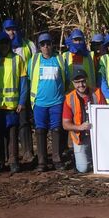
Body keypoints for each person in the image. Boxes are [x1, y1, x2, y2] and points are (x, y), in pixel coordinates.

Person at [0, 18, 37, 164]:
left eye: (13, 29)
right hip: (2, 99)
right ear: (4, 31)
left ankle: (27, 152)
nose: (11, 32)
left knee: (24, 123)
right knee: (6, 128)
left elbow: (35, 64)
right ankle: (6, 158)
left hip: (23, 90)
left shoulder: (28, 45)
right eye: (8, 29)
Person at [28, 32, 66, 172]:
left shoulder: (59, 59)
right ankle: (42, 161)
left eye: (48, 44)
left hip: (56, 101)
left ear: (52, 45)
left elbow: (65, 78)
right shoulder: (34, 60)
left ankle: (57, 159)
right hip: (39, 102)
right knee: (40, 130)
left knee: (56, 129)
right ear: (39, 47)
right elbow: (29, 79)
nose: (46, 47)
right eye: (42, 44)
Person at [62, 69, 106, 173]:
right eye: (77, 82)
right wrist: (80, 127)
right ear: (73, 83)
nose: (81, 85)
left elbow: (105, 116)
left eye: (83, 81)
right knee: (83, 169)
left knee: (104, 165)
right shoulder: (69, 98)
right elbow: (65, 124)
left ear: (87, 80)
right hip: (80, 138)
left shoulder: (97, 93)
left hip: (98, 137)